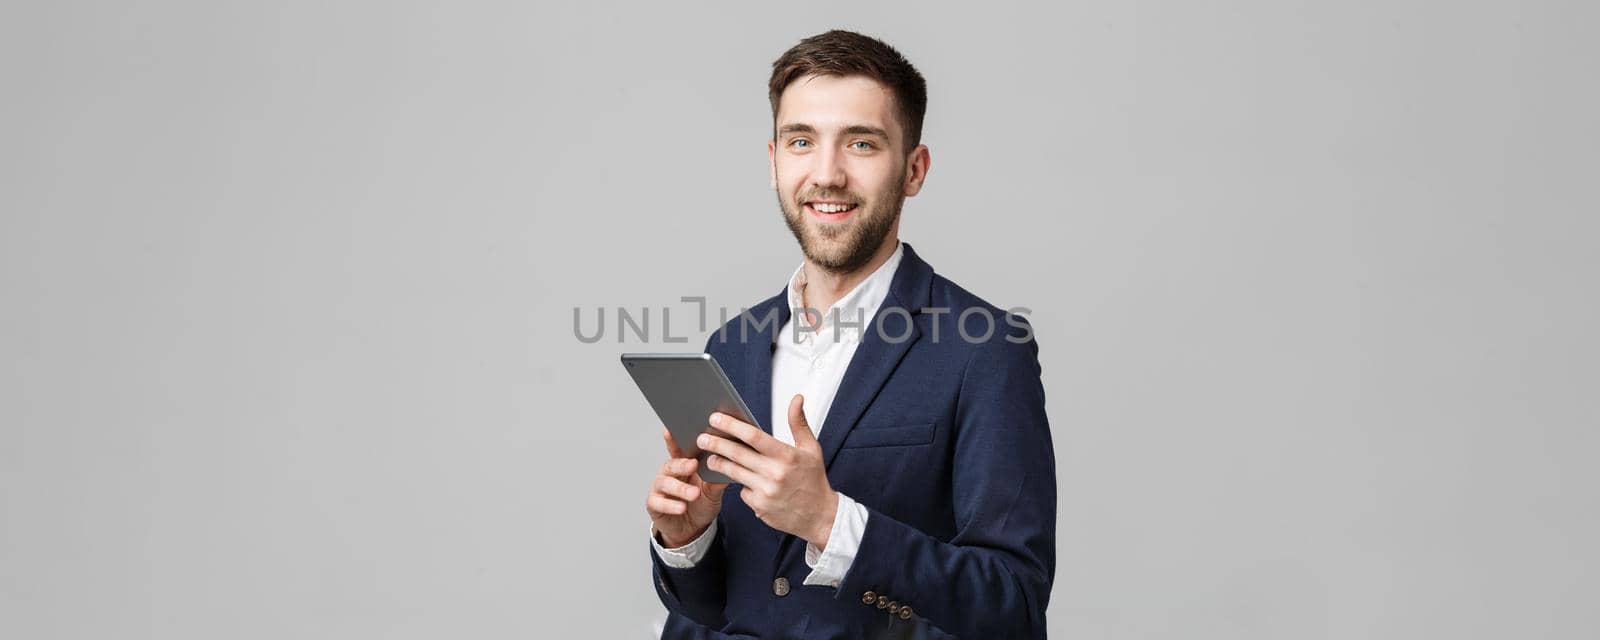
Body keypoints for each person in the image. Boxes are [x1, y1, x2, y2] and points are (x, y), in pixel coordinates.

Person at [644, 29, 1056, 639]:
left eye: (862, 143)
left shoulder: (987, 350)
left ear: (913, 170)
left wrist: (831, 521)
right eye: (802, 141)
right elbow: (712, 609)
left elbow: (1013, 608)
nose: (827, 174)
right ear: (774, 160)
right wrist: (688, 539)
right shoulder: (731, 344)